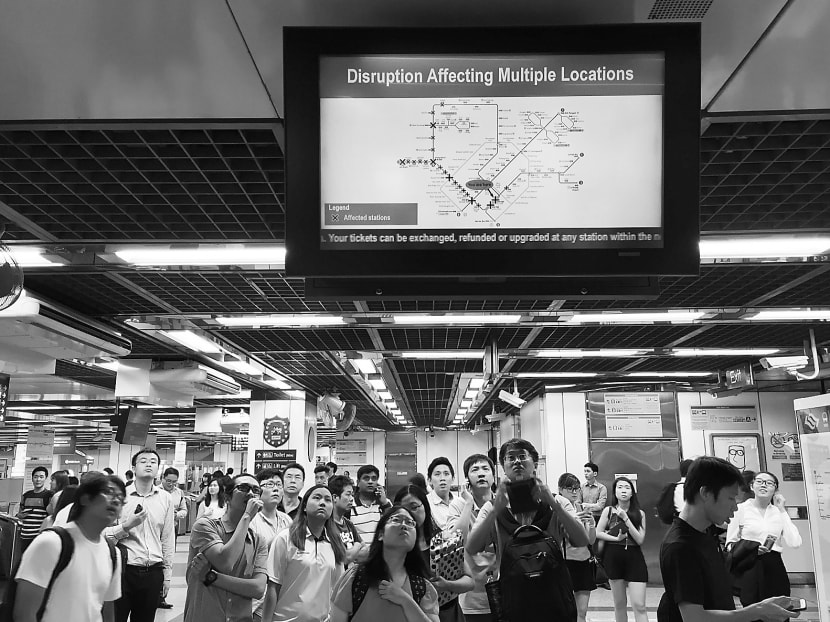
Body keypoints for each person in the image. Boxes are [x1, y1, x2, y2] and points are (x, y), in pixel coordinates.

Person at [658, 456, 798, 622]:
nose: (735, 506)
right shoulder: (681, 547)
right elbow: (694, 617)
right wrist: (758, 611)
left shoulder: (706, 532)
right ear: (706, 493)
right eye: (731, 498)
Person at [13, 472, 124, 622]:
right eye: (108, 492)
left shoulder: (113, 554)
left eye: (121, 498)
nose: (116, 500)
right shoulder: (51, 543)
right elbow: (24, 614)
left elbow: (107, 611)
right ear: (85, 498)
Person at [330, 506, 440, 622]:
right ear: (380, 534)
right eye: (396, 519)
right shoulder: (356, 578)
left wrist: (406, 601)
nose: (404, 525)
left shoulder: (421, 587)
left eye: (410, 522)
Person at [184, 473, 268, 622]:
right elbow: (225, 562)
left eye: (256, 490)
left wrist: (211, 577)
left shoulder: (258, 541)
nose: (250, 494)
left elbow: (258, 589)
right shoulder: (204, 526)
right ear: (227, 497)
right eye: (243, 488)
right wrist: (247, 516)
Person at [107, 448, 175, 622]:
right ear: (134, 467)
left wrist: (167, 575)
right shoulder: (120, 497)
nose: (149, 464)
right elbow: (104, 535)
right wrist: (127, 526)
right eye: (143, 461)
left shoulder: (166, 499)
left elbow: (167, 538)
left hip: (153, 572)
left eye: (153, 461)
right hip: (123, 570)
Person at [261, 485, 347, 622]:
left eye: (328, 500)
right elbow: (273, 587)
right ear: (305, 506)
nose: (322, 503)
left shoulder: (335, 544)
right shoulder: (286, 538)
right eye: (317, 498)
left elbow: (337, 592)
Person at [395, 484, 473, 622]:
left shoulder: (442, 541)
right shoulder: (395, 547)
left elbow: (469, 582)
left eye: (414, 507)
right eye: (403, 510)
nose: (409, 514)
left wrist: (447, 585)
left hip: (448, 614)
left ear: (425, 506)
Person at [726, 471, 802, 606]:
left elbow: (795, 542)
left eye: (769, 483)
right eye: (759, 481)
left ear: (776, 489)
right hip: (750, 566)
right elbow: (730, 544)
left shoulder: (778, 512)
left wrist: (782, 510)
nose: (764, 485)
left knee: (780, 611)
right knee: (753, 611)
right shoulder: (741, 509)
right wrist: (750, 548)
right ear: (751, 486)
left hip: (774, 565)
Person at [447, 454, 496, 622]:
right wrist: (468, 503)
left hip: (503, 590)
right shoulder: (459, 505)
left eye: (485, 469)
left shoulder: (503, 504)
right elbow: (454, 540)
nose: (481, 474)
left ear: (493, 475)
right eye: (475, 470)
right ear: (467, 478)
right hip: (471, 596)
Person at [596, 477, 648, 622]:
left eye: (627, 487)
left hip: (634, 558)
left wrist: (625, 518)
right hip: (613, 557)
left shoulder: (640, 513)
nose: (623, 490)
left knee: (639, 605)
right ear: (615, 492)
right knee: (619, 604)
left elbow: (639, 539)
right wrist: (615, 539)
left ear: (632, 492)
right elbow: (597, 532)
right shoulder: (608, 510)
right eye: (619, 487)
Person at [250, 469, 293, 621]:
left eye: (279, 485)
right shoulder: (252, 520)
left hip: (282, 592)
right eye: (269, 484)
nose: (275, 488)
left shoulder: (287, 520)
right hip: (259, 595)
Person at [558, 473, 598, 622]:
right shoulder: (557, 508)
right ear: (561, 490)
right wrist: (572, 521)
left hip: (583, 561)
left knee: (582, 612)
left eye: (576, 489)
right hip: (565, 562)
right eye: (570, 489)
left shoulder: (581, 507)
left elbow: (590, 540)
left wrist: (592, 524)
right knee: (566, 610)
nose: (574, 492)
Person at [159, 467, 188, 609]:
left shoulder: (179, 493)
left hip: (172, 529)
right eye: (168, 481)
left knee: (167, 558)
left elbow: (184, 510)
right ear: (162, 478)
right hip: (157, 530)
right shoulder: (156, 491)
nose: (171, 484)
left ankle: (162, 597)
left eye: (174, 482)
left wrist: (176, 515)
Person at [329, 474, 369, 565]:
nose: (351, 499)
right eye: (348, 494)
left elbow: (365, 552)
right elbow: (345, 558)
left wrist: (353, 552)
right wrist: (357, 545)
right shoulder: (327, 525)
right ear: (335, 497)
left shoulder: (348, 523)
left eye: (352, 495)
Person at [351, 464, 392, 545]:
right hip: (358, 554)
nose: (370, 482)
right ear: (358, 483)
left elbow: (392, 526)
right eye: (366, 478)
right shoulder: (350, 504)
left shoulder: (385, 503)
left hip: (379, 554)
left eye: (374, 479)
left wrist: (384, 503)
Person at [18, 466, 54, 551]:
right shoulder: (26, 495)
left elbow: (51, 516)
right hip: (25, 535)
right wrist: (20, 515)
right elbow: (20, 512)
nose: (38, 480)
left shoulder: (49, 495)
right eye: (35, 477)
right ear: (32, 478)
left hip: (39, 536)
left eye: (41, 477)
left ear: (45, 478)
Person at [427, 457, 466, 530]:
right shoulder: (425, 503)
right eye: (437, 474)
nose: (442, 478)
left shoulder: (460, 502)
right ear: (429, 480)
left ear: (453, 478)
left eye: (446, 474)